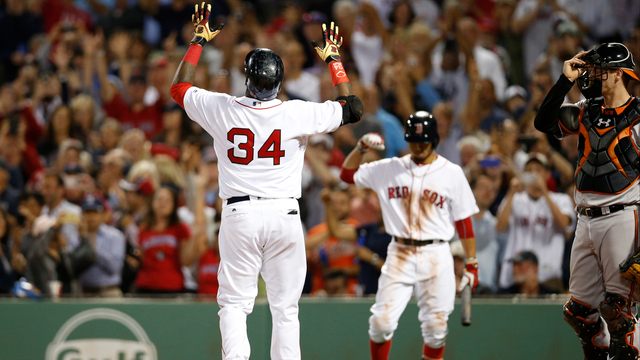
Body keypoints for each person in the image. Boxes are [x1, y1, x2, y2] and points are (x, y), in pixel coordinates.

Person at [169, 6, 363, 359]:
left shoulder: (222, 107)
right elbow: (352, 108)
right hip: (285, 216)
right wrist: (333, 58)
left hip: (240, 213)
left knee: (234, 305)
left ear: (247, 79)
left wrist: (198, 39)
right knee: (286, 309)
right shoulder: (296, 112)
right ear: (279, 82)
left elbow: (179, 87)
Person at [340, 112, 479, 360]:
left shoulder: (452, 172)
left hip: (437, 253)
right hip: (400, 252)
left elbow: (464, 222)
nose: (419, 145)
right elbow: (347, 176)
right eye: (414, 141)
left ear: (434, 139)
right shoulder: (391, 168)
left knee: (436, 329)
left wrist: (471, 263)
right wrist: (360, 148)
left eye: (424, 140)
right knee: (381, 324)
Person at [534, 43, 640, 359]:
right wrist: (564, 81)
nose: (591, 75)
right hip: (585, 218)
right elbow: (544, 123)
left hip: (623, 215)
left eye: (598, 70)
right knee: (579, 313)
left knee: (618, 313)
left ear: (619, 74)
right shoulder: (586, 109)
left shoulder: (637, 115)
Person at [496, 155, 574, 291]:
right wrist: (511, 192)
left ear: (547, 174)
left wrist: (544, 191)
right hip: (516, 275)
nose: (533, 174)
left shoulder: (560, 199)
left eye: (538, 170)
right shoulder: (515, 199)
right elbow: (500, 227)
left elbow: (565, 224)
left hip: (548, 276)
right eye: (529, 170)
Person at [135, 186, 203, 295]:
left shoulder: (180, 229)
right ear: (152, 202)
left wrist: (194, 238)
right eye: (159, 199)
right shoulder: (143, 229)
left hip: (172, 286)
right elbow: (141, 257)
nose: (163, 203)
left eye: (168, 200)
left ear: (174, 204)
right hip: (145, 285)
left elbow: (186, 261)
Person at [78, 195, 125, 297]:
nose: (91, 217)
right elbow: (71, 269)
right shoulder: (75, 236)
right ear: (81, 215)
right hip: (83, 292)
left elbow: (115, 268)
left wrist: (93, 249)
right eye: (87, 212)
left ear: (103, 215)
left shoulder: (115, 235)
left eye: (95, 212)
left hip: (109, 291)